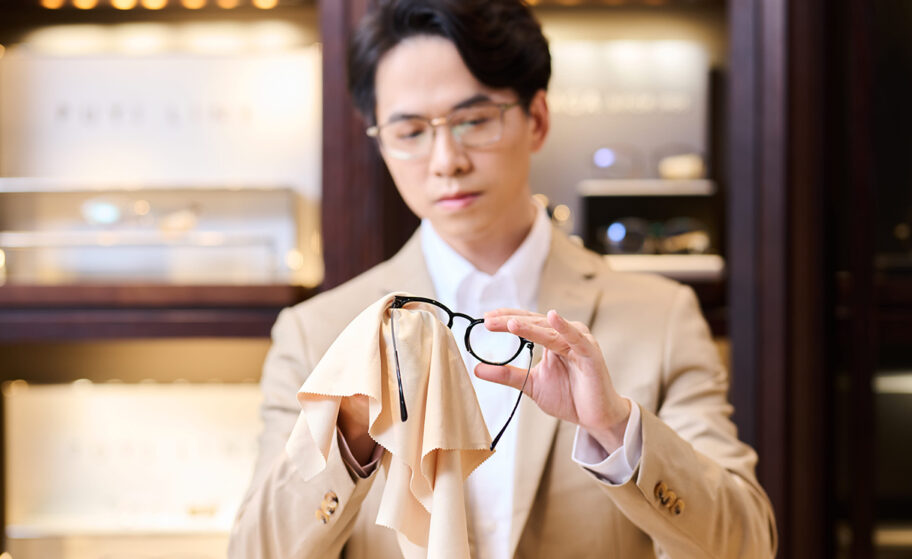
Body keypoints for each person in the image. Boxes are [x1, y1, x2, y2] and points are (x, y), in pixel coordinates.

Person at [228, 1, 777, 557]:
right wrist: (347, 439)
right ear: (381, 141)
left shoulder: (660, 317)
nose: (446, 160)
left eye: (473, 121)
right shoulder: (318, 332)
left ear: (536, 119)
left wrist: (617, 430)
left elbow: (747, 543)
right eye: (410, 131)